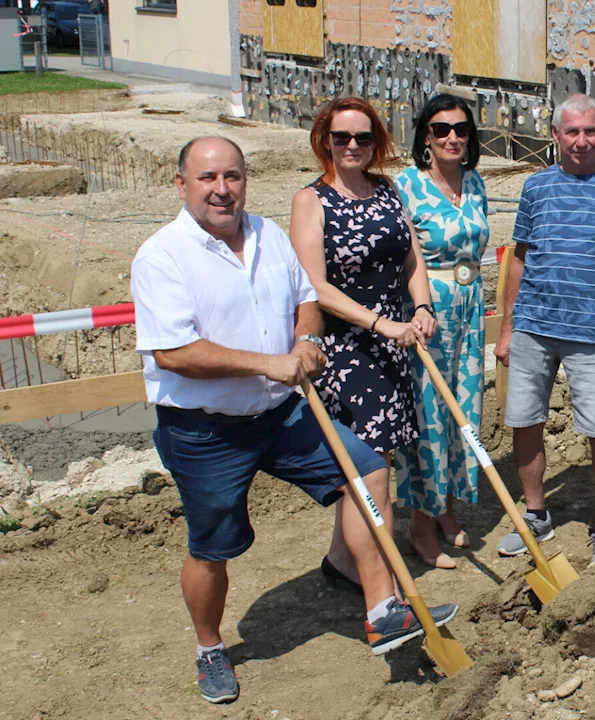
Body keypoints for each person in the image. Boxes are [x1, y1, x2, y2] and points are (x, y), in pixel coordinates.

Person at [133, 136, 456, 705]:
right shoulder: (161, 256)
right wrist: (272, 362)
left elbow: (307, 297)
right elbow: (173, 352)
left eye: (232, 176)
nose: (221, 189)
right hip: (205, 430)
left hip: (281, 412)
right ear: (181, 185)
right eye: (207, 178)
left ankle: (382, 607)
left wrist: (307, 339)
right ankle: (210, 647)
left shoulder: (267, 236)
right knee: (212, 546)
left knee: (365, 473)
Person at [289, 97, 440, 577]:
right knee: (368, 465)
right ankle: (379, 576)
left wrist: (421, 308)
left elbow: (411, 259)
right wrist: (379, 323)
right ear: (325, 141)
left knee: (377, 458)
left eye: (363, 137)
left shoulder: (386, 189)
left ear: (376, 142)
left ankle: (342, 559)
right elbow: (314, 285)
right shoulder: (311, 200)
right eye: (342, 137)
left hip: (394, 344)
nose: (352, 146)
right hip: (345, 351)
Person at [494, 93, 595, 565]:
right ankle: (536, 514)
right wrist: (506, 328)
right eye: (572, 132)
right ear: (556, 135)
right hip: (534, 329)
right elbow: (519, 261)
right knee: (525, 421)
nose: (581, 141)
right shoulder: (536, 188)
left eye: (590, 131)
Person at [393, 94, 489, 569]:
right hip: (428, 315)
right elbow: (402, 258)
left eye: (461, 129)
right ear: (425, 137)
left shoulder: (475, 183)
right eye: (440, 129)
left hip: (470, 311)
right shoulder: (406, 185)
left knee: (462, 411)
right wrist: (416, 308)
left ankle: (447, 510)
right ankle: (419, 526)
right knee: (428, 417)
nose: (452, 137)